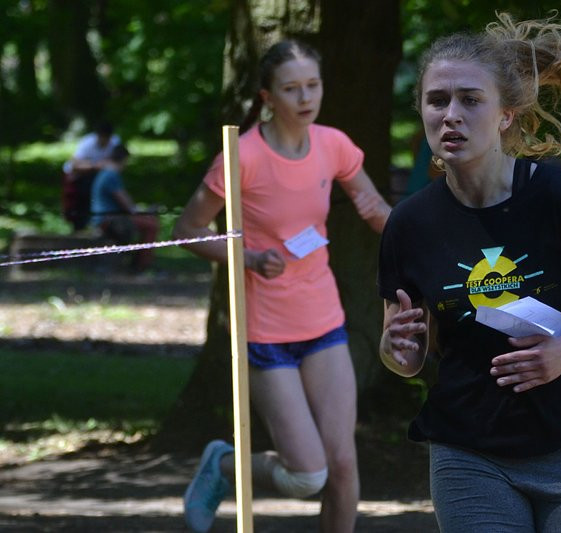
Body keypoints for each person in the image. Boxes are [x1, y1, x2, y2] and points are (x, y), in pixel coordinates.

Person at [377, 12, 561, 532]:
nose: (451, 115)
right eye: (437, 100)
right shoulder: (410, 223)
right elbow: (406, 352)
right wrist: (395, 351)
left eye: (471, 99)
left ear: (506, 115)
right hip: (468, 452)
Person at [174, 39, 391, 533]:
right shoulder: (242, 155)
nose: (305, 97)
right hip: (266, 331)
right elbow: (186, 231)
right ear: (267, 96)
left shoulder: (333, 143)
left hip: (324, 322)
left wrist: (432, 242)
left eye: (312, 85)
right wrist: (246, 256)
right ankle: (224, 465)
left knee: (342, 467)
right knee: (307, 475)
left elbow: (376, 209)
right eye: (291, 88)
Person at [89, 144, 160, 273]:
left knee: (148, 222)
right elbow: (126, 205)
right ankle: (142, 265)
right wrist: (144, 211)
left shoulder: (105, 172)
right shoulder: (111, 175)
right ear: (124, 159)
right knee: (151, 225)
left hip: (105, 217)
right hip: (108, 220)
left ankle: (138, 261)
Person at [62, 121, 122, 231]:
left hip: (96, 176)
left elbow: (116, 160)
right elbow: (74, 164)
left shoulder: (115, 142)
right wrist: (94, 166)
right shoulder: (87, 143)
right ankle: (79, 226)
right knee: (80, 202)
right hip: (80, 176)